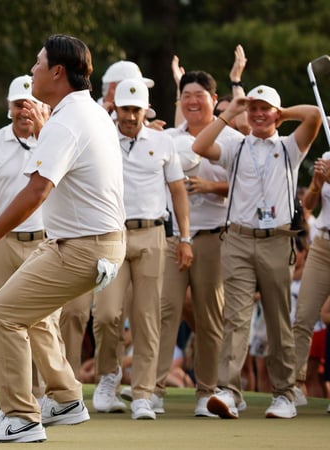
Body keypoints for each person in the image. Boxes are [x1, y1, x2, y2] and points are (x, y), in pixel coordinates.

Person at [0, 34, 126, 443]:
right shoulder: (81, 113)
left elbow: (37, 191)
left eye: (37, 63)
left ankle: (20, 417)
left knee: (2, 314)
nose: (32, 69)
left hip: (84, 246)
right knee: (25, 313)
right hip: (85, 242)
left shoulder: (67, 121)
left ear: (57, 71)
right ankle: (67, 398)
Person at [193, 85, 322, 419]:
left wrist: (283, 112)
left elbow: (314, 115)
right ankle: (229, 391)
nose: (259, 114)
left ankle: (285, 393)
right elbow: (200, 145)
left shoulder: (289, 146)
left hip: (276, 239)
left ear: (276, 114)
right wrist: (231, 112)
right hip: (237, 237)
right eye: (254, 109)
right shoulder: (237, 145)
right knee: (235, 317)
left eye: (265, 109)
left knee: (279, 319)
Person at [91, 78, 192, 420]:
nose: (130, 116)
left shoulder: (162, 142)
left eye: (136, 110)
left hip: (152, 235)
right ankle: (108, 377)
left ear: (145, 111)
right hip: (112, 235)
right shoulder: (102, 138)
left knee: (147, 318)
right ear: (114, 110)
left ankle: (143, 394)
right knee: (106, 314)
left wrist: (186, 237)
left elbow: (178, 190)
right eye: (124, 109)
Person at [0, 74, 65, 397]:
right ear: (9, 107)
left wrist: (45, 130)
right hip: (3, 243)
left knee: (45, 321)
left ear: (42, 108)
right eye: (19, 104)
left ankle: (54, 395)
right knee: (5, 318)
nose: (25, 111)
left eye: (31, 104)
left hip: (46, 241)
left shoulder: (56, 141)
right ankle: (19, 396)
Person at [156, 70, 233, 417]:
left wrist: (211, 187)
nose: (191, 101)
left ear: (214, 101)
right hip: (174, 236)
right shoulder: (170, 137)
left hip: (215, 235)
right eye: (186, 95)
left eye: (199, 95)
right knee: (165, 311)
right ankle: (152, 390)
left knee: (209, 315)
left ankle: (207, 392)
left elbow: (249, 186)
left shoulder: (233, 138)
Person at [293, 153, 330, 404]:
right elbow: (308, 204)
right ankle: (292, 387)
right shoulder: (327, 157)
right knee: (303, 316)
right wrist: (317, 183)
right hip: (323, 245)